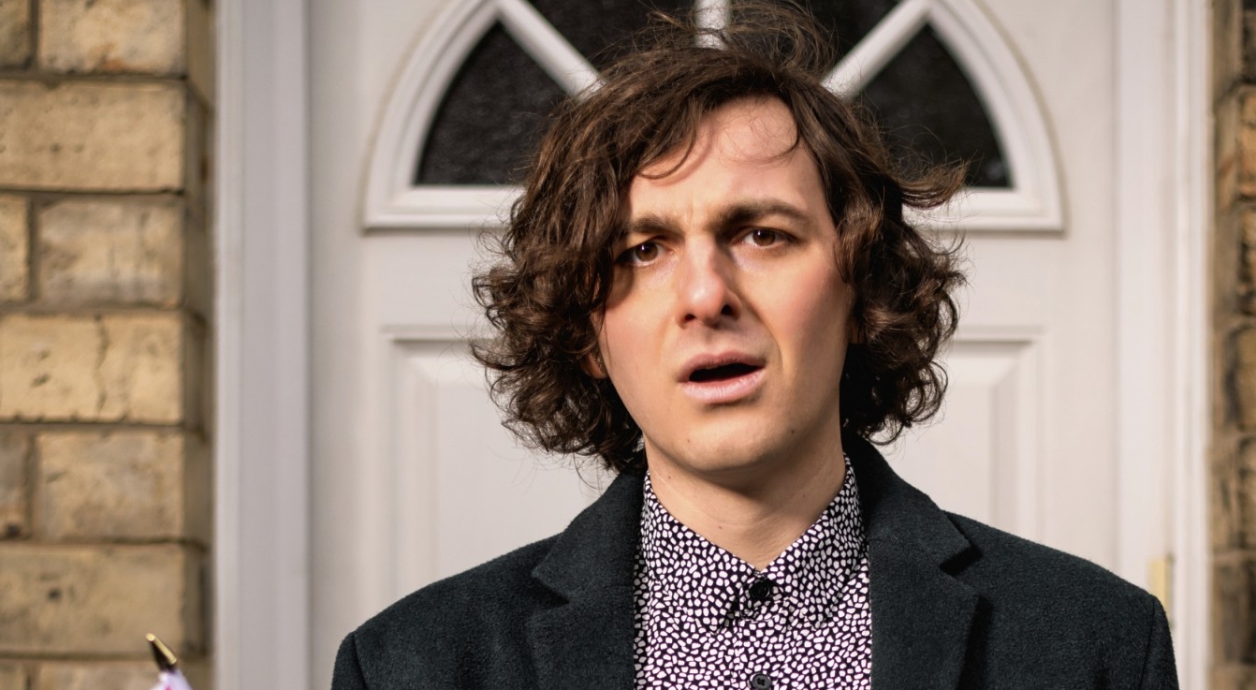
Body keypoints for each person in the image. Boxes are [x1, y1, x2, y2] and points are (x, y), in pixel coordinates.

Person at [331, 3, 1178, 688]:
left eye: (762, 235)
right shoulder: (411, 667)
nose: (706, 296)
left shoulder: (1096, 645)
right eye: (643, 250)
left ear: (863, 289)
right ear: (587, 333)